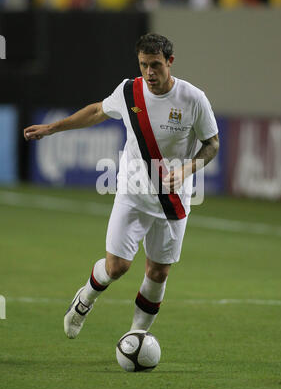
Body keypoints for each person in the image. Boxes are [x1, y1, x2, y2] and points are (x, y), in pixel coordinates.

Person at [24, 33, 219, 339]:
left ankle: (135, 338)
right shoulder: (130, 92)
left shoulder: (194, 99)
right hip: (133, 193)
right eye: (144, 65)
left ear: (170, 62)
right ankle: (85, 298)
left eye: (155, 65)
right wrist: (53, 128)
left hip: (172, 201)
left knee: (158, 273)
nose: (149, 73)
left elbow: (212, 144)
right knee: (117, 267)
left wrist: (187, 169)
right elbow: (97, 111)